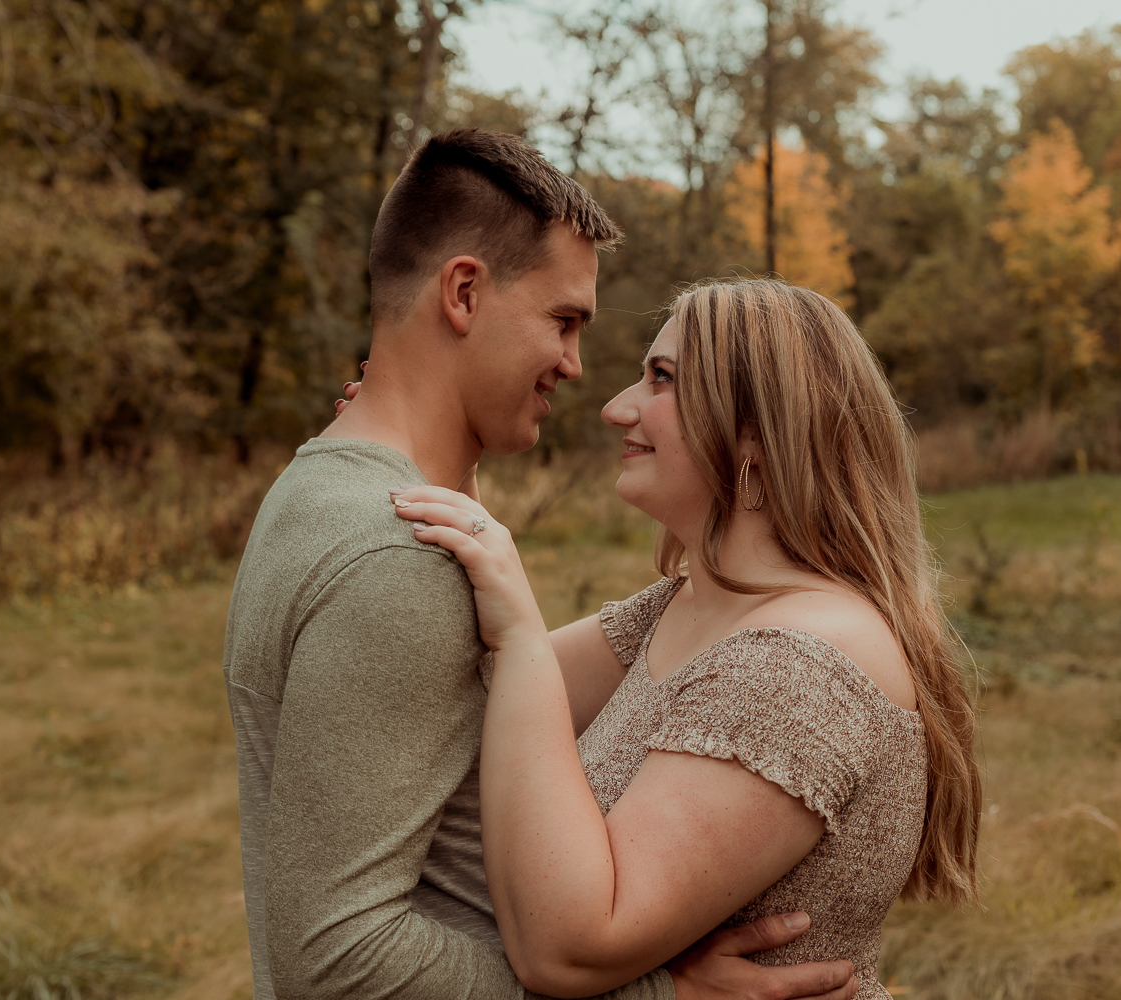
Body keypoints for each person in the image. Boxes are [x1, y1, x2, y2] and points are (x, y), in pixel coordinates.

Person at [222, 130, 861, 1000]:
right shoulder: (394, 553)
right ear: (463, 292)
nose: (577, 366)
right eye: (563, 320)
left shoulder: (319, 489)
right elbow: (335, 962)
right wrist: (658, 996)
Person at [392, 278, 982, 998]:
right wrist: (433, 459)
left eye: (661, 379)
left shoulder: (798, 666)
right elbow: (474, 699)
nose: (617, 407)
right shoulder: (690, 609)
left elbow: (569, 947)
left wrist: (520, 634)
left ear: (757, 436)